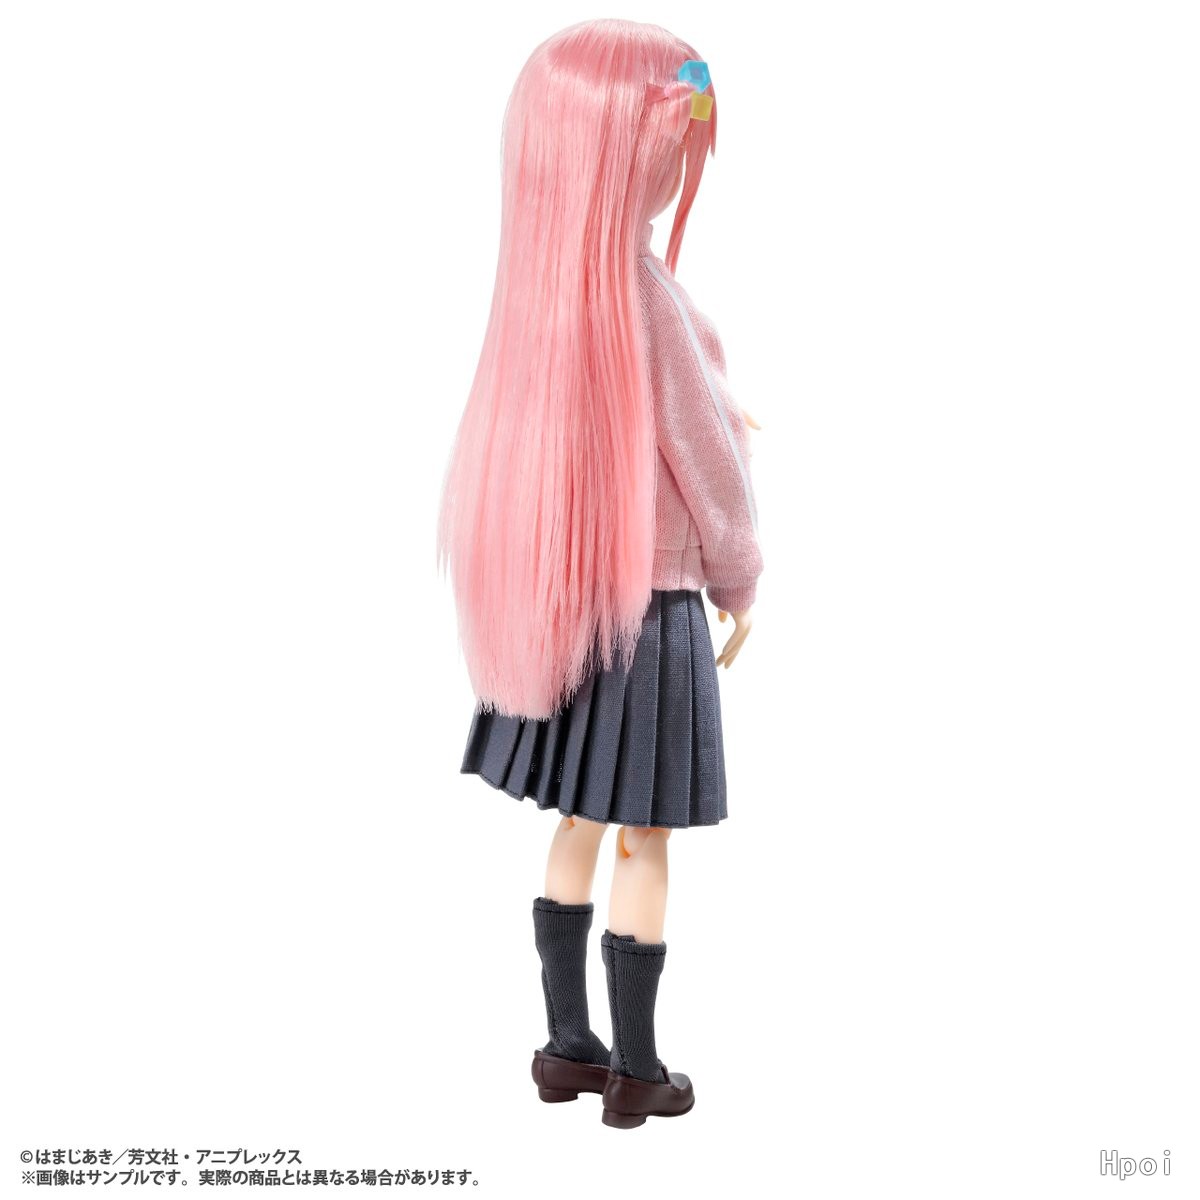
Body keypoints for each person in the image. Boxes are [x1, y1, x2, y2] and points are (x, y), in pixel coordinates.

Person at [438, 18, 763, 1129]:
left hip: (562, 602)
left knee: (574, 824)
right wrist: (740, 576)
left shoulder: (539, 300)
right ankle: (638, 1066)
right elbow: (707, 462)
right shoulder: (646, 298)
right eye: (676, 146)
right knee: (643, 838)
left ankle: (564, 1046)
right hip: (650, 610)